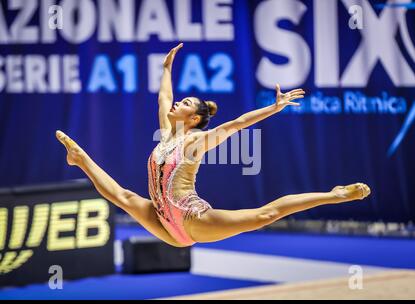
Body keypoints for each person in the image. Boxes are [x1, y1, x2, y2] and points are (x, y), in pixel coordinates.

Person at [56, 43, 370, 248]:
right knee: (124, 197)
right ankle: (80, 159)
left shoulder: (195, 142)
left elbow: (236, 124)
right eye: (181, 100)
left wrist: (274, 108)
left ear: (193, 119)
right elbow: (163, 97)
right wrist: (166, 69)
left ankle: (334, 194)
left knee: (263, 216)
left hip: (192, 220)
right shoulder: (167, 134)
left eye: (185, 103)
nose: (177, 102)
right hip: (164, 223)